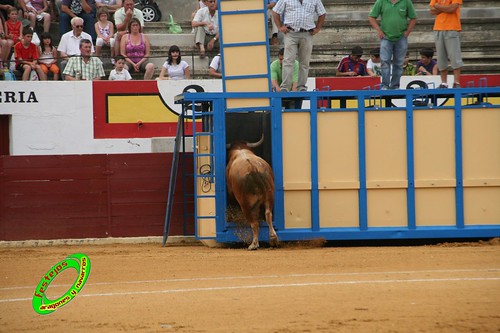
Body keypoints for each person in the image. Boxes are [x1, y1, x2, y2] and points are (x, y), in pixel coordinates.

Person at [272, 0, 326, 92]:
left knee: (304, 62)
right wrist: (280, 27)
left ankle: (301, 87)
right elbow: (275, 11)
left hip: (307, 33)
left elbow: (322, 13)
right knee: (288, 60)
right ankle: (285, 87)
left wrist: (317, 28)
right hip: (290, 32)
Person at [368, 0, 417, 90]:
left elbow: (413, 18)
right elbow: (371, 17)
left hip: (401, 37)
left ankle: (395, 85)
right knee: (385, 61)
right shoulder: (381, 1)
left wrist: (407, 32)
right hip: (386, 37)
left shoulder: (406, 2)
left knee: (398, 63)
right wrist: (379, 30)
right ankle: (385, 85)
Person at [430, 0, 463, 88]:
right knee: (441, 57)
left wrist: (438, 6)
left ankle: (456, 82)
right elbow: (432, 10)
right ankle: (444, 82)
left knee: (454, 56)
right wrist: (446, 8)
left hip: (452, 28)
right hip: (438, 28)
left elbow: (452, 8)